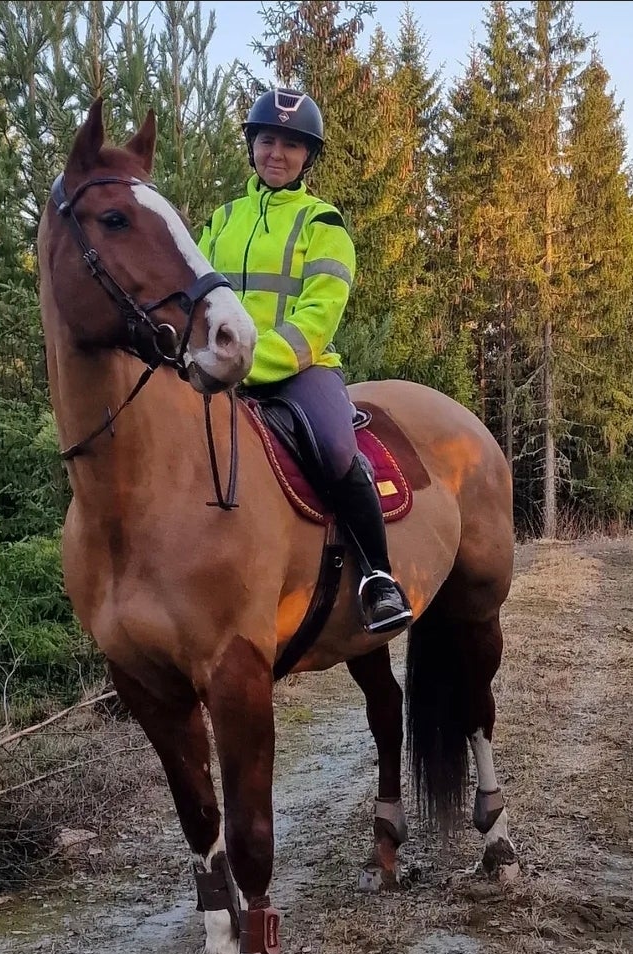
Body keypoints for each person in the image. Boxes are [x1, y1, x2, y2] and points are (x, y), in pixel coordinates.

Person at [198, 87, 413, 634]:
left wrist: (249, 362)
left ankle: (378, 578)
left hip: (299, 370)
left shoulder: (324, 223)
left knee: (338, 450)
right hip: (217, 368)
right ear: (252, 146)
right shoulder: (220, 220)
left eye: (292, 145)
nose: (277, 153)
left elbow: (319, 315)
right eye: (267, 139)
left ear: (307, 157)